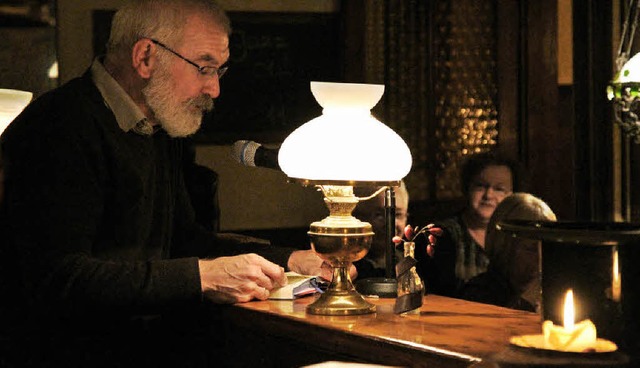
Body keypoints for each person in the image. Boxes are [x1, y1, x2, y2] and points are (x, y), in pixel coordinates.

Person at [0, 1, 328, 365]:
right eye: (204, 67)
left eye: (220, 71)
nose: (214, 89)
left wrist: (290, 259)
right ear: (145, 57)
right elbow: (60, 279)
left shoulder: (159, 126)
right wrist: (201, 277)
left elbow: (182, 239)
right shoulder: (59, 126)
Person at [416, 151, 523, 297]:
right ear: (467, 188)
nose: (488, 195)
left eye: (499, 189)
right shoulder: (440, 236)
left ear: (511, 195)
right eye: (481, 186)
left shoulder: (517, 239)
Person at [459, 193, 557, 312]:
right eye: (530, 249)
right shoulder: (478, 294)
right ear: (504, 246)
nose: (541, 259)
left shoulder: (553, 291)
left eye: (547, 248)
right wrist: (527, 300)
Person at [352, 182, 409, 279]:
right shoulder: (345, 266)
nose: (391, 223)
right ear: (358, 217)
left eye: (398, 214)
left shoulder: (408, 264)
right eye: (379, 215)